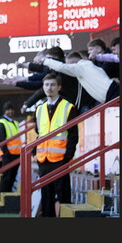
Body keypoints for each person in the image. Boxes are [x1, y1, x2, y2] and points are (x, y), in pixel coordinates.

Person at [34, 72, 78, 217]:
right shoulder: (39, 108)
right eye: (46, 85)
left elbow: (73, 135)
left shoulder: (68, 107)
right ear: (43, 87)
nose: (49, 88)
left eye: (53, 85)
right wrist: (35, 152)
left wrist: (68, 157)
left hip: (60, 159)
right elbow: (38, 133)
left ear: (59, 87)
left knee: (63, 196)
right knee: (46, 196)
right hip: (43, 159)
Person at [21, 46, 120, 106]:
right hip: (109, 94)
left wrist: (44, 60)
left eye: (69, 64)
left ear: (73, 62)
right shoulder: (87, 66)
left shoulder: (81, 67)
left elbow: (61, 67)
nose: (68, 67)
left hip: (111, 94)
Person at [0, 101, 22, 195]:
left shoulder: (15, 122)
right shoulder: (2, 122)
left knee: (13, 176)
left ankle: (8, 194)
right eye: (8, 110)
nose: (10, 112)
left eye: (11, 109)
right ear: (4, 111)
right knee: (7, 176)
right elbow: (2, 140)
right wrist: (6, 153)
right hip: (8, 154)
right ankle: (2, 195)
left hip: (17, 154)